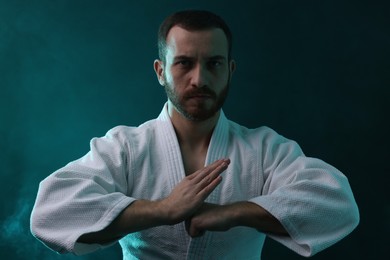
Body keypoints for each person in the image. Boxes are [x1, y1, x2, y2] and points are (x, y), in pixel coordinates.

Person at [30, 10, 359, 259]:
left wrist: (232, 213)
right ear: (161, 72)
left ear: (230, 71)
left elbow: (336, 204)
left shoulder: (264, 149)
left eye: (214, 64)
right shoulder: (125, 148)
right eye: (184, 63)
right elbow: (51, 210)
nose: (199, 79)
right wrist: (162, 210)